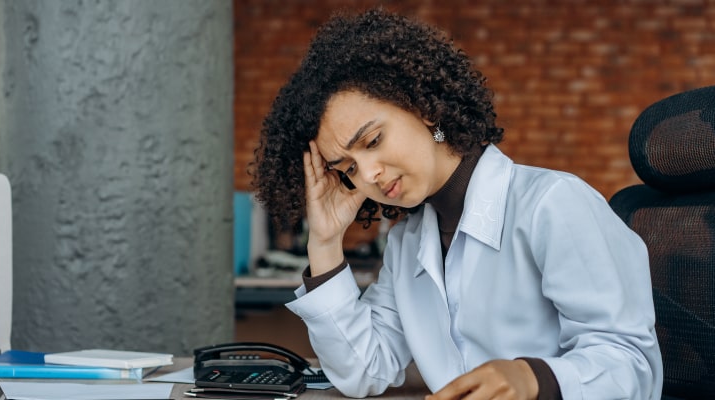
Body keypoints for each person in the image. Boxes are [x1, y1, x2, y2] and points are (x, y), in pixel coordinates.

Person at [251, 8, 662, 400]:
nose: (369, 174)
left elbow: (633, 367)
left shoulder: (552, 205)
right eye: (348, 168)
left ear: (425, 108)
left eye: (373, 141)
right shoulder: (408, 243)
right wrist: (324, 244)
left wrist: (532, 378)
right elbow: (364, 371)